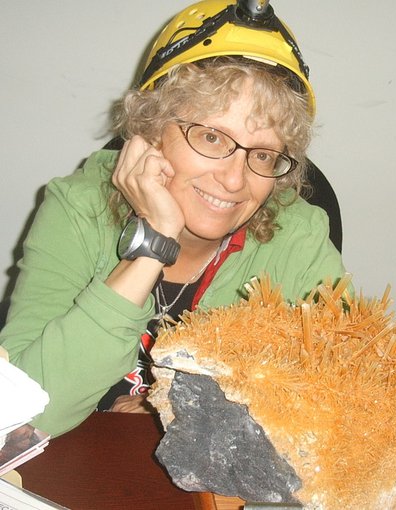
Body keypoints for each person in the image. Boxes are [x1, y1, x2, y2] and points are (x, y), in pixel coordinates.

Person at [0, 0, 348, 437]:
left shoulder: (298, 235)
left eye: (262, 154)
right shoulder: (77, 209)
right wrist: (152, 244)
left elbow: (347, 395)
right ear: (150, 128)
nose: (235, 179)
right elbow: (19, 415)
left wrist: (184, 410)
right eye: (211, 136)